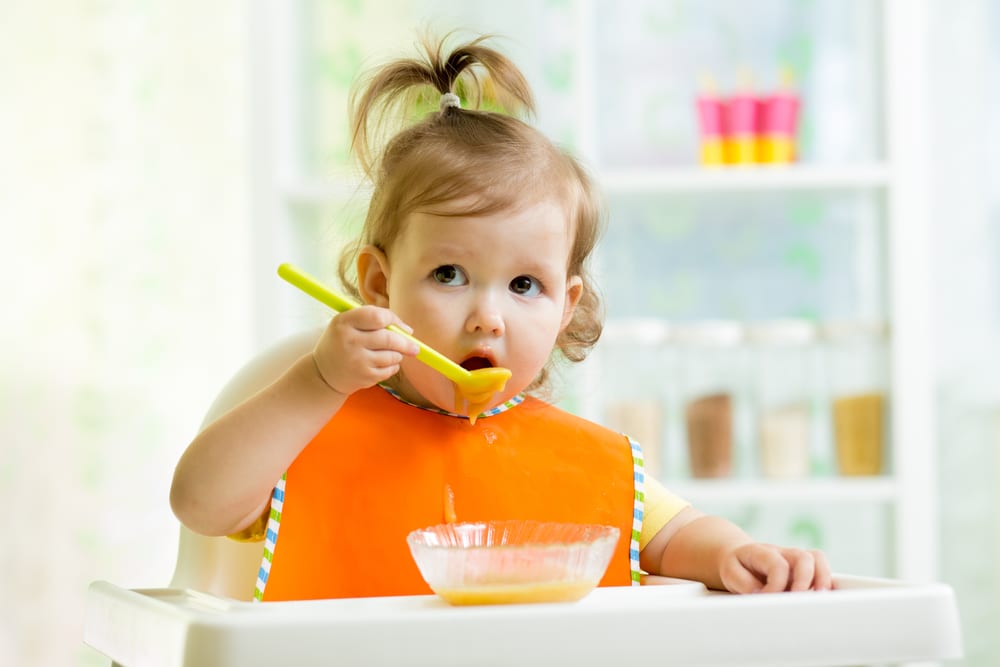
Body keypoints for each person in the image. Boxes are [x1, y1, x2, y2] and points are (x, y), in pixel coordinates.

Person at [170, 32, 832, 602]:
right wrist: (316, 380)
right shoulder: (308, 432)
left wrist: (736, 553)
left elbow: (676, 532)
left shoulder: (579, 457)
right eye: (448, 275)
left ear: (565, 306)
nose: (488, 316)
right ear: (380, 284)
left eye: (524, 284)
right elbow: (200, 502)